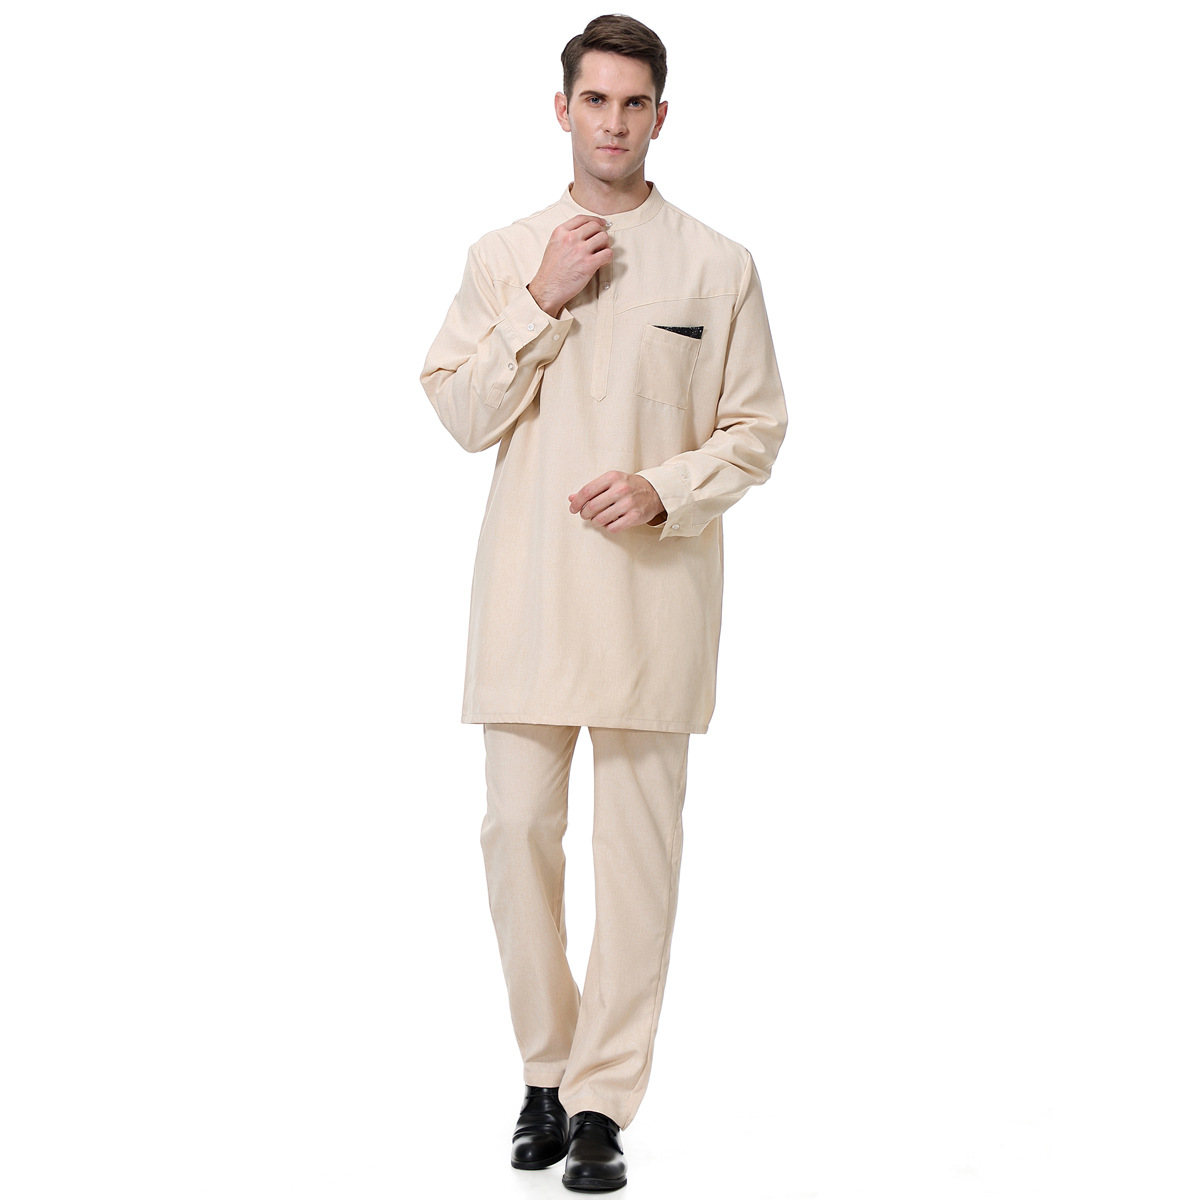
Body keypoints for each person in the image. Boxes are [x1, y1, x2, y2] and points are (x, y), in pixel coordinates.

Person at [420, 14, 787, 1192]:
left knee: (637, 864)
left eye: (635, 103)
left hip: (651, 604)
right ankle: (546, 1069)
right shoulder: (504, 254)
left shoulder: (717, 265)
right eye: (596, 100)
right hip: (528, 599)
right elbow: (461, 413)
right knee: (516, 835)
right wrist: (541, 297)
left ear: (660, 117)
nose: (614, 123)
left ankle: (599, 1106)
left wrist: (663, 486)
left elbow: (756, 428)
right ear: (562, 109)